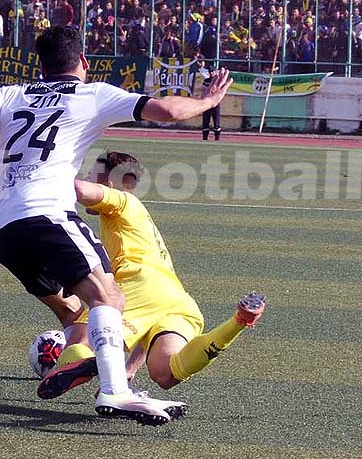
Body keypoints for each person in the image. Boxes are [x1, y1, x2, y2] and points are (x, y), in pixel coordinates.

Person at [0, 25, 232, 425]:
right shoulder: (92, 94)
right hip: (48, 214)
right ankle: (115, 389)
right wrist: (208, 100)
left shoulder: (12, 94)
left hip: (5, 229)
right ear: (82, 61)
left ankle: (85, 361)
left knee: (74, 311)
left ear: (41, 65)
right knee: (110, 298)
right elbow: (168, 111)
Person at [36, 151, 264, 400]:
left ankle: (89, 362)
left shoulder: (123, 201)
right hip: (176, 300)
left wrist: (37, 180)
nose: (87, 178)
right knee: (166, 372)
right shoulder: (139, 220)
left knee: (82, 342)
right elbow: (148, 310)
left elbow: (79, 190)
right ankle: (239, 321)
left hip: (137, 284)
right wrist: (129, 369)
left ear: (108, 184)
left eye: (91, 175)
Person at [200, 63, 223, 140]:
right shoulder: (206, 80)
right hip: (207, 103)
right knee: (205, 120)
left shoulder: (218, 81)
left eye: (212, 71)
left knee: (216, 121)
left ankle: (217, 138)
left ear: (215, 72)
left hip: (215, 103)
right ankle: (205, 138)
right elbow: (203, 90)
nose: (211, 73)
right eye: (210, 71)